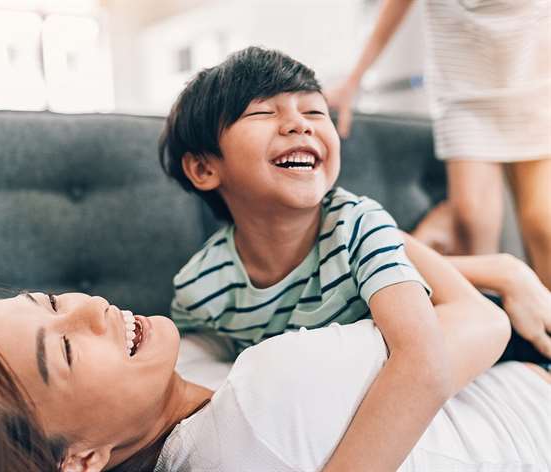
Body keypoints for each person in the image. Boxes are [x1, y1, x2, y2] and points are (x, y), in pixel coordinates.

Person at [158, 46, 549, 470]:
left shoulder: (356, 222)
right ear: (203, 168)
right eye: (263, 114)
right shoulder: (200, 286)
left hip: (510, 348)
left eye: (313, 112)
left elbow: (422, 360)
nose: (298, 125)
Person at [0, 240, 551, 471]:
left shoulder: (191, 389)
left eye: (49, 299)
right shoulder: (271, 401)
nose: (92, 308)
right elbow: (477, 322)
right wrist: (370, 233)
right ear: (80, 460)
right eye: (65, 348)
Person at [326, 0, 551, 288]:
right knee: (472, 221)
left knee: (543, 223)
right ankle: (490, 323)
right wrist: (354, 79)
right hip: (462, 86)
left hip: (536, 76)